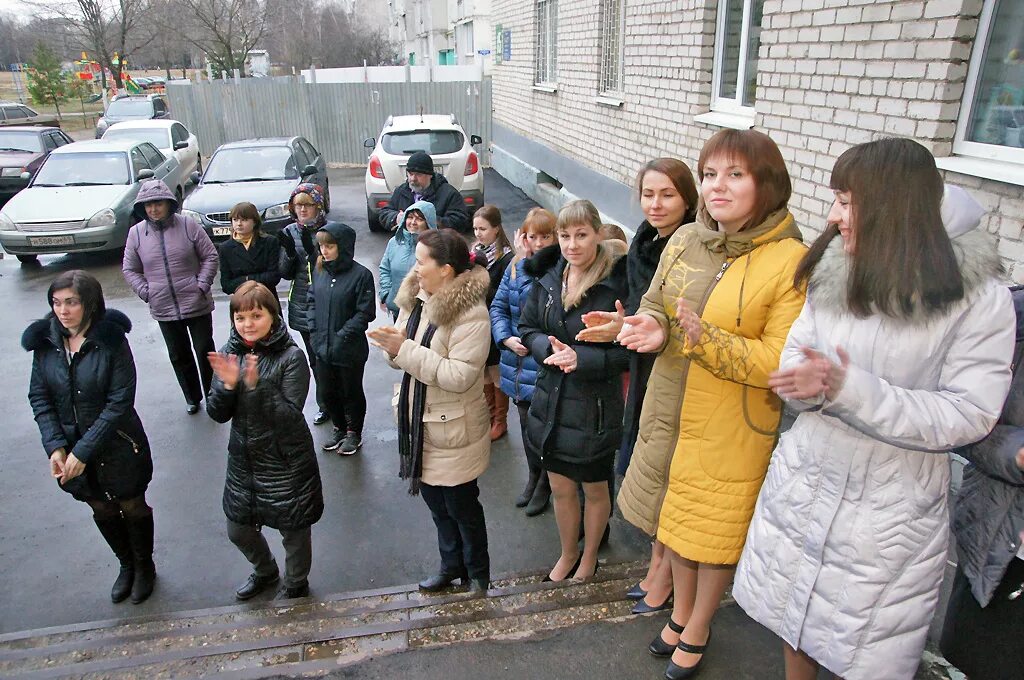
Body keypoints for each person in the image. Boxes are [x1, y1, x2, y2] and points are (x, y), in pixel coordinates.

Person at [732, 139, 1015, 680]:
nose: (834, 216)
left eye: (846, 200)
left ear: (893, 204)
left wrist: (849, 389)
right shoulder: (836, 269)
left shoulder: (976, 297)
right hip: (808, 483)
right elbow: (797, 357)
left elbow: (970, 414)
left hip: (889, 513)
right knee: (796, 619)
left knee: (865, 647)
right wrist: (805, 385)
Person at [615, 129, 806, 679]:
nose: (717, 187)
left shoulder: (788, 260)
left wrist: (705, 340)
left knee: (712, 533)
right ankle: (677, 614)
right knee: (674, 524)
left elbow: (776, 363)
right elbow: (656, 303)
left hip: (732, 418)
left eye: (735, 175)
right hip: (672, 400)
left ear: (767, 184)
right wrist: (648, 326)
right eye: (710, 174)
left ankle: (698, 627)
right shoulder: (688, 238)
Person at [578, 158, 698, 616]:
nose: (656, 203)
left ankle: (664, 574)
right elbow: (644, 312)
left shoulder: (693, 247)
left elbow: (681, 317)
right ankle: (656, 564)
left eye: (667, 194)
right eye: (648, 194)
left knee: (668, 474)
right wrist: (621, 326)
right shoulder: (646, 243)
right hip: (646, 369)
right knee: (648, 470)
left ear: (688, 198)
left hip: (680, 374)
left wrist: (636, 327)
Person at [367, 229, 492, 593]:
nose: (415, 268)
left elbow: (460, 375)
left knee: (462, 507)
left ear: (447, 270)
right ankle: (450, 566)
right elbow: (404, 361)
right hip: (421, 423)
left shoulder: (471, 312)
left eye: (422, 261)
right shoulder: (417, 299)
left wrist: (402, 349)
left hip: (453, 429)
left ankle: (478, 573)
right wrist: (393, 349)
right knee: (436, 504)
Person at [24, 270, 156, 604]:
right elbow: (39, 397)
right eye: (56, 303)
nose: (62, 310)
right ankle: (126, 565)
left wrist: (80, 453)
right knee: (101, 507)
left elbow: (119, 402)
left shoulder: (111, 340)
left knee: (131, 503)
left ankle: (144, 566)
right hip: (70, 448)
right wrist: (55, 446)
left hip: (119, 442)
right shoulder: (46, 344)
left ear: (90, 304)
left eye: (71, 302)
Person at [519, 199, 630, 582]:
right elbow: (528, 327)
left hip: (594, 408)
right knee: (560, 486)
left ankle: (590, 558)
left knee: (596, 490)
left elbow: (628, 353)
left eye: (581, 235)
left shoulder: (616, 284)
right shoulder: (550, 276)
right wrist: (546, 349)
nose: (572, 244)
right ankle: (568, 554)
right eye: (565, 235)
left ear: (598, 234)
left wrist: (582, 359)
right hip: (551, 403)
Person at [207, 281, 324, 601]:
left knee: (294, 528)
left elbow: (289, 416)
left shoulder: (292, 357)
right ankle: (265, 571)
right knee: (238, 529)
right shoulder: (230, 352)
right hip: (244, 461)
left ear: (274, 316)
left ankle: (297, 582)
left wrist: (254, 386)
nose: (248, 325)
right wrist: (227, 387)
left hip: (284, 459)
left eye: (256, 316)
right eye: (240, 318)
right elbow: (216, 414)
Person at [940, 286, 1024, 679]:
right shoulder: (1011, 314)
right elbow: (961, 417)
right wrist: (1018, 454)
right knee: (985, 661)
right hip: (1002, 548)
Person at [123, 179, 218, 415]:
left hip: (196, 301)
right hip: (163, 305)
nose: (153, 209)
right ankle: (192, 397)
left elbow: (210, 256)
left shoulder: (188, 225)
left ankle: (213, 395)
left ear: (168, 203)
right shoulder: (136, 234)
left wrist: (201, 285)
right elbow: (130, 269)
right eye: (148, 205)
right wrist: (147, 292)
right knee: (178, 354)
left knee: (204, 349)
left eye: (158, 204)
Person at [490, 207, 557, 515]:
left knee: (541, 430)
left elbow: (535, 303)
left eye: (545, 236)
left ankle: (545, 483)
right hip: (515, 362)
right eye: (533, 236)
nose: (539, 243)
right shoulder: (515, 267)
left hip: (540, 361)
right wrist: (505, 337)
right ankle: (533, 477)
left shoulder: (553, 268)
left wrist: (528, 262)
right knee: (526, 428)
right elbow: (499, 306)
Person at [307, 222, 376, 455]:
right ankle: (338, 427)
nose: (324, 251)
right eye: (321, 246)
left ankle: (353, 433)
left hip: (349, 349)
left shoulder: (361, 275)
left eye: (330, 246)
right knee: (327, 391)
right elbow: (311, 302)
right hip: (323, 347)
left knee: (351, 392)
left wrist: (343, 335)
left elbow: (365, 312)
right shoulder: (320, 272)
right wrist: (314, 332)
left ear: (343, 246)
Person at [278, 183, 330, 425]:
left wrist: (314, 254)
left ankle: (336, 400)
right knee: (313, 358)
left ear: (318, 206)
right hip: (301, 302)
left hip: (327, 302)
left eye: (307, 204)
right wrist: (289, 254)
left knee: (329, 356)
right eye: (297, 205)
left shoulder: (330, 231)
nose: (302, 210)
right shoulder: (289, 232)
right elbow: (285, 273)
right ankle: (324, 404)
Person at [472, 204, 515, 441]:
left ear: (496, 229)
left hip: (496, 322)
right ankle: (489, 417)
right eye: (476, 228)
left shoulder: (506, 257)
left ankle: (500, 420)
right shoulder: (476, 252)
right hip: (479, 321)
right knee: (484, 374)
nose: (479, 234)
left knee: (496, 373)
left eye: (483, 229)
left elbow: (504, 293)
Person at [376, 151, 470, 236]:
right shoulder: (401, 191)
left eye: (418, 174)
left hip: (435, 246)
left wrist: (430, 221)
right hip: (405, 244)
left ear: (430, 175)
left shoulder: (449, 194)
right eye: (410, 174)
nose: (413, 179)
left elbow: (460, 222)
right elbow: (384, 213)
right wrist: (396, 218)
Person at [379, 200, 437, 320]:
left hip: (423, 312)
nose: (413, 222)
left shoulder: (435, 247)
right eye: (410, 217)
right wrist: (386, 294)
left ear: (428, 223)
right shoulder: (394, 242)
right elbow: (385, 269)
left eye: (419, 219)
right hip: (397, 308)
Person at [218, 202, 282, 296]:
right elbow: (226, 285)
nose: (239, 224)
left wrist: (245, 279)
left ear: (255, 221)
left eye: (244, 220)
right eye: (235, 220)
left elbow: (273, 277)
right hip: (241, 300)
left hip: (266, 297)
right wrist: (254, 278)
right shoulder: (225, 248)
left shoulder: (269, 242)